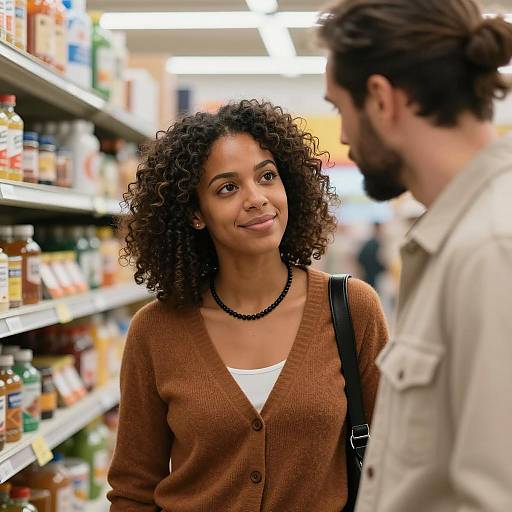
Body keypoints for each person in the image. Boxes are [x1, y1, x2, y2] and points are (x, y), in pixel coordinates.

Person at [107, 99, 389, 511]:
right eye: (227, 188)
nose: (256, 198)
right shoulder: (155, 330)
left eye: (267, 176)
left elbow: (393, 460)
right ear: (195, 214)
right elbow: (133, 489)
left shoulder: (351, 308)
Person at [319, 1, 512, 511]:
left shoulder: (493, 249)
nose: (341, 134)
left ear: (381, 100)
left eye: (340, 108)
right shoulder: (454, 238)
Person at [356, 222, 385, 289]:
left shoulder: (369, 243)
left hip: (369, 275)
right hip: (373, 275)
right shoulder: (375, 244)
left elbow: (359, 259)